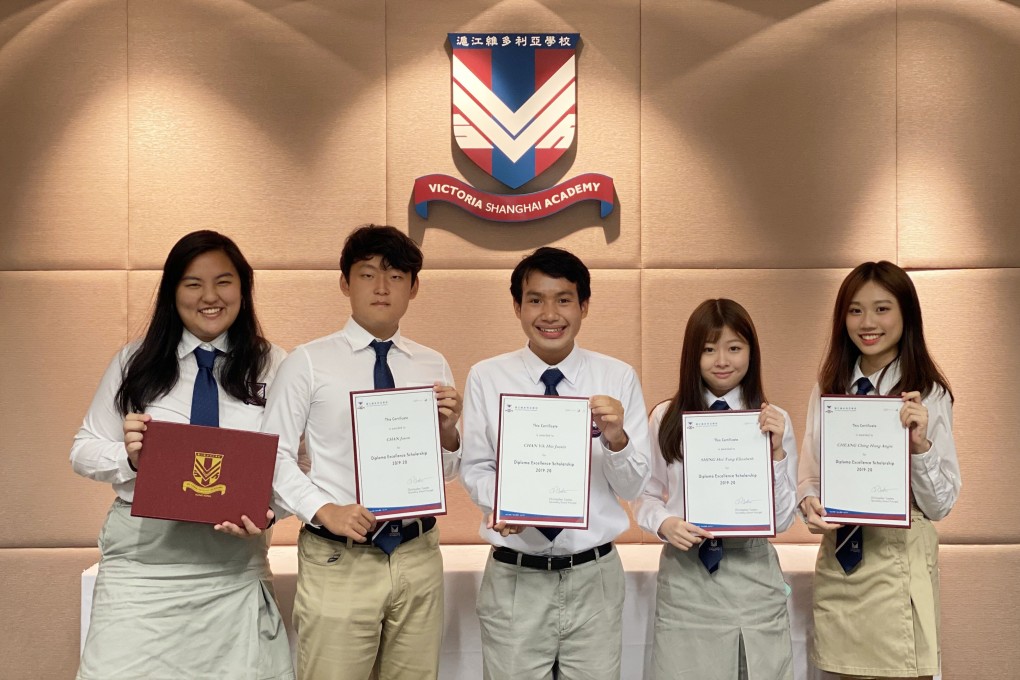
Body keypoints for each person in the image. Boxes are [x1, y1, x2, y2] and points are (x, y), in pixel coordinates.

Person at [70, 230, 294, 680]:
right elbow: (82, 450)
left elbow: (299, 466)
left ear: (244, 289)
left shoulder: (276, 366)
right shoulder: (135, 362)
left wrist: (271, 514)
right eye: (193, 283)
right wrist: (129, 458)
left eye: (224, 281)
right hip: (142, 574)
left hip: (233, 573)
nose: (210, 296)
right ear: (173, 291)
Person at [264, 224, 462, 680]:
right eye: (367, 273)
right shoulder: (308, 362)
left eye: (395, 276)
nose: (380, 287)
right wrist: (323, 509)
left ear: (414, 287)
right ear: (344, 282)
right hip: (339, 558)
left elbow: (447, 471)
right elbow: (272, 456)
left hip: (417, 554)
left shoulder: (431, 362)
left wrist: (450, 434)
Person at [460, 246, 651, 680]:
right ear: (517, 306)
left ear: (584, 305)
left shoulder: (617, 377)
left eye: (563, 299)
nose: (550, 313)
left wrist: (617, 438)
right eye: (535, 299)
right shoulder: (486, 377)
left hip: (594, 577)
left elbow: (634, 488)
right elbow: (475, 468)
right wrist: (507, 503)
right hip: (515, 579)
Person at [797, 261, 961, 680]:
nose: (867, 322)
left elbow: (941, 505)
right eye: (855, 310)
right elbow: (810, 476)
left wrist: (920, 447)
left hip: (898, 564)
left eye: (882, 309)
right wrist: (810, 504)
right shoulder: (828, 386)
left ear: (906, 314)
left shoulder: (928, 392)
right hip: (841, 563)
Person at [633, 298, 796, 680]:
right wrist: (665, 524)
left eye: (734, 348)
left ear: (751, 353)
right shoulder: (665, 417)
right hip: (686, 574)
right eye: (708, 349)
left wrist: (776, 451)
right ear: (693, 356)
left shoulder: (773, 418)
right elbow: (645, 495)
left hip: (752, 574)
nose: (722, 360)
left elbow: (785, 518)